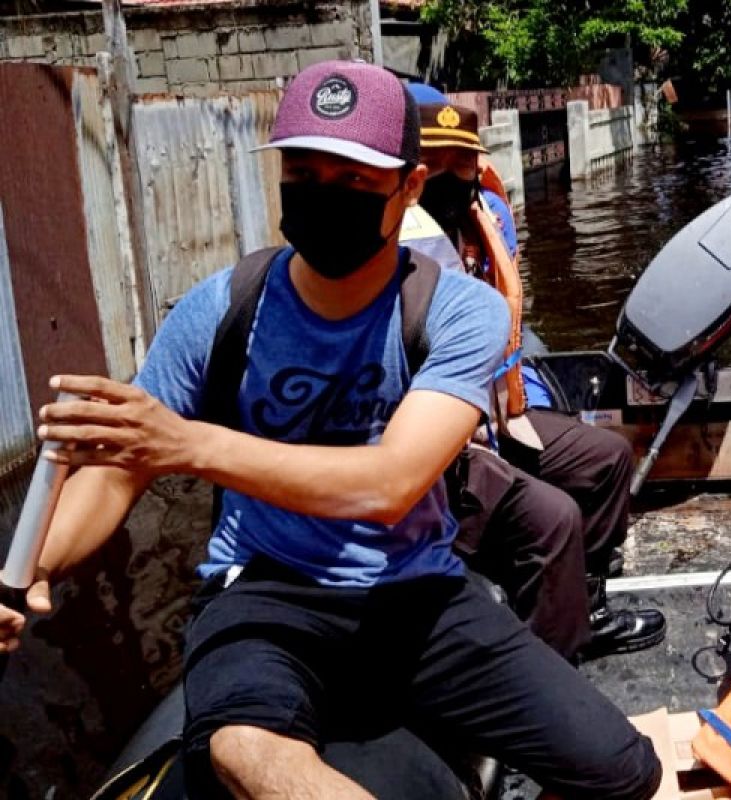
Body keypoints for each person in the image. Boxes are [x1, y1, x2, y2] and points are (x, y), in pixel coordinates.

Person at [0, 61, 662, 800]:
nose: (324, 195)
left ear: (408, 188)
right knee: (249, 753)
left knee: (624, 770)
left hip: (413, 593)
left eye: (353, 180)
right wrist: (29, 573)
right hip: (264, 592)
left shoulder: (458, 312)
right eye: (304, 171)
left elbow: (390, 484)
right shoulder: (219, 312)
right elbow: (119, 472)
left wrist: (187, 445)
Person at [405, 82, 666, 661]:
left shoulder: (489, 216)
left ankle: (587, 609)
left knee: (606, 460)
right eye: (435, 162)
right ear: (411, 171)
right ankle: (545, 663)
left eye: (463, 160)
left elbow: (505, 329)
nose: (451, 175)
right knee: (554, 518)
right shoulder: (392, 236)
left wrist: (518, 405)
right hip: (442, 431)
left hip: (500, 411)